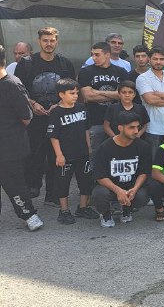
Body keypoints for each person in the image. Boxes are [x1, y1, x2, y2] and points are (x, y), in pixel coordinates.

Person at [15, 26, 76, 204]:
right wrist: (33, 104)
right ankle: (31, 190)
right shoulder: (26, 64)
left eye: (52, 40)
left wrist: (59, 104)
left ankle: (53, 195)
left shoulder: (65, 64)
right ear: (39, 41)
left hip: (59, 119)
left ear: (57, 41)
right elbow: (18, 90)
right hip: (34, 120)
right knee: (33, 155)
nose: (49, 44)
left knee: (57, 157)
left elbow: (73, 90)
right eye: (45, 40)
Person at [0, 44, 43, 231]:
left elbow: (26, 117)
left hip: (10, 147)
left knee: (14, 184)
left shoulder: (12, 84)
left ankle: (29, 214)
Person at [46, 78, 98, 224]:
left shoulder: (81, 107)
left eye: (76, 93)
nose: (75, 96)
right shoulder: (56, 112)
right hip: (65, 155)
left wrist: (88, 146)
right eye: (71, 93)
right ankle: (64, 210)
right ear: (61, 94)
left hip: (82, 153)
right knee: (63, 183)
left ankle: (83, 207)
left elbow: (86, 128)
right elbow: (53, 136)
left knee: (86, 181)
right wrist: (59, 155)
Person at [92, 110, 152, 227]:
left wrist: (135, 189)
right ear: (120, 128)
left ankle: (127, 210)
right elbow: (100, 176)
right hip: (110, 188)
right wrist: (118, 190)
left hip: (131, 186)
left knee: (143, 195)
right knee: (99, 193)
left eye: (137, 127)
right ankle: (106, 215)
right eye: (131, 127)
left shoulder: (143, 146)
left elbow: (144, 172)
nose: (136, 131)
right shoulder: (105, 147)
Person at [78, 41, 128, 154]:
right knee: (94, 153)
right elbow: (88, 96)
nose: (93, 58)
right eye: (92, 54)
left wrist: (96, 91)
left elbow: (124, 96)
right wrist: (114, 94)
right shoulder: (86, 72)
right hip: (94, 120)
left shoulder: (121, 72)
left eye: (97, 55)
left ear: (107, 55)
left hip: (116, 121)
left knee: (117, 152)